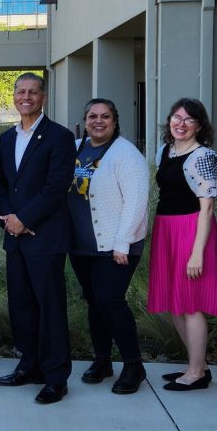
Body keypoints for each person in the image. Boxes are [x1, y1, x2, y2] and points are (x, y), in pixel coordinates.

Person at [0, 72, 76, 405]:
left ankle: (56, 376)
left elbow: (56, 188)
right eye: (20, 91)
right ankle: (30, 366)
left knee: (50, 308)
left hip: (45, 236)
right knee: (22, 307)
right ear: (14, 96)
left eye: (32, 92)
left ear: (43, 97)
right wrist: (10, 220)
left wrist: (24, 219)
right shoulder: (7, 138)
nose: (25, 97)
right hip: (16, 237)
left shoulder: (59, 136)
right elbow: (1, 184)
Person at [67, 99, 149, 394]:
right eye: (92, 116)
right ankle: (102, 360)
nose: (98, 121)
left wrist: (122, 243)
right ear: (85, 119)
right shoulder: (76, 146)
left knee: (111, 302)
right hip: (80, 245)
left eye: (105, 117)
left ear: (115, 121)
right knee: (94, 302)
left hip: (115, 245)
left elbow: (136, 202)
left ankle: (133, 365)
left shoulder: (126, 154)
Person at [147, 98, 217, 391]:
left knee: (191, 304)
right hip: (166, 228)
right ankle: (197, 364)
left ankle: (196, 373)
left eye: (188, 119)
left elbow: (207, 208)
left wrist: (196, 253)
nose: (180, 123)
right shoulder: (164, 151)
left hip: (192, 230)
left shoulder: (204, 156)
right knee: (174, 303)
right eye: (176, 117)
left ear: (199, 126)